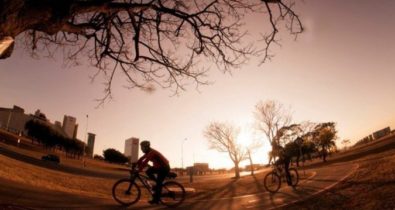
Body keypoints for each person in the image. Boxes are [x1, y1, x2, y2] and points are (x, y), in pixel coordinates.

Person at [135, 140, 170, 204]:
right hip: (158, 167)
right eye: (141, 148)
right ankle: (157, 184)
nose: (141, 149)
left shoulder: (152, 152)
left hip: (164, 167)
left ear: (147, 147)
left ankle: (156, 200)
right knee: (148, 171)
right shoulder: (148, 153)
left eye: (142, 147)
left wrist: (139, 170)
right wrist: (135, 164)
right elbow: (141, 159)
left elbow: (145, 162)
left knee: (159, 183)